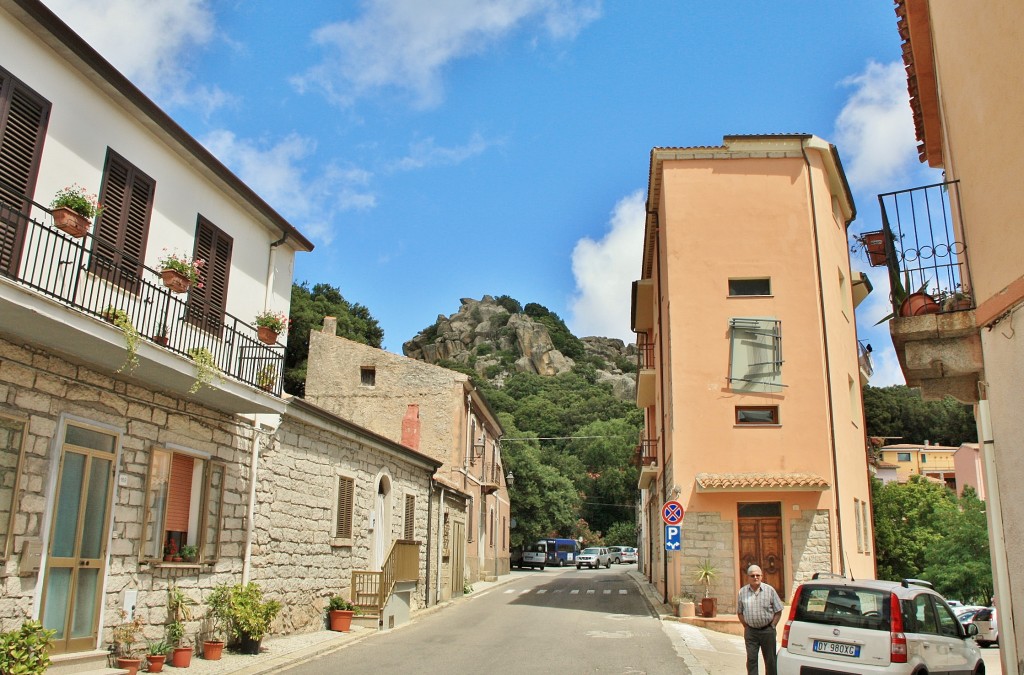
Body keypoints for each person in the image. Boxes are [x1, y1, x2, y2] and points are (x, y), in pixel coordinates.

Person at [737, 564, 784, 675]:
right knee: (751, 660)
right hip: (751, 632)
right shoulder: (742, 592)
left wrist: (773, 625)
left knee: (770, 661)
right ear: (748, 577)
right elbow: (739, 612)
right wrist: (747, 626)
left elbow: (778, 610)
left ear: (762, 576)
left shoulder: (770, 590)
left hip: (767, 631)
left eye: (758, 575)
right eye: (752, 575)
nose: (755, 577)